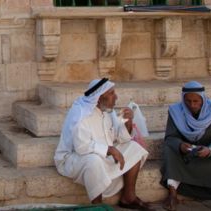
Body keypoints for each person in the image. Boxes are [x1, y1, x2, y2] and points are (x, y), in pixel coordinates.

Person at [54, 78, 152, 210]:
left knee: (134, 147)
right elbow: (82, 147)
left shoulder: (107, 112)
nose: (116, 97)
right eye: (111, 94)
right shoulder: (81, 113)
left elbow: (121, 137)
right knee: (93, 161)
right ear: (99, 98)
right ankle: (98, 205)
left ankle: (128, 197)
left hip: (103, 156)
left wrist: (128, 122)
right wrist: (110, 150)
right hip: (74, 159)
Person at [161, 81, 211, 211]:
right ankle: (173, 195)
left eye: (196, 101)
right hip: (186, 154)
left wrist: (210, 149)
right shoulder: (175, 111)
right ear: (183, 99)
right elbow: (170, 137)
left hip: (208, 154)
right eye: (188, 101)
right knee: (169, 149)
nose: (192, 105)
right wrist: (180, 145)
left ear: (203, 98)